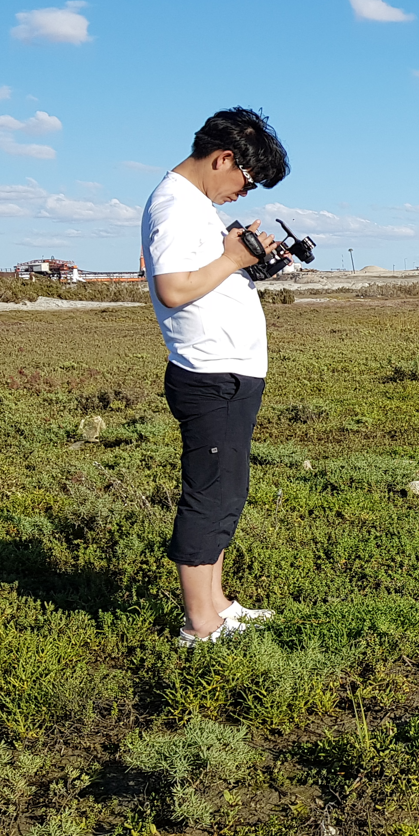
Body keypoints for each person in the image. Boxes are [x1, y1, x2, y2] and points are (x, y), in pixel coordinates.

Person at [142, 107, 289, 645]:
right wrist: (232, 259)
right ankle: (200, 624)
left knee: (227, 491)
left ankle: (218, 603)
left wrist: (246, 259)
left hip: (228, 370)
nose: (244, 193)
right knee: (209, 495)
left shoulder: (195, 206)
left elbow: (204, 274)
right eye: (247, 181)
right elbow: (173, 289)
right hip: (210, 373)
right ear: (224, 158)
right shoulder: (176, 206)